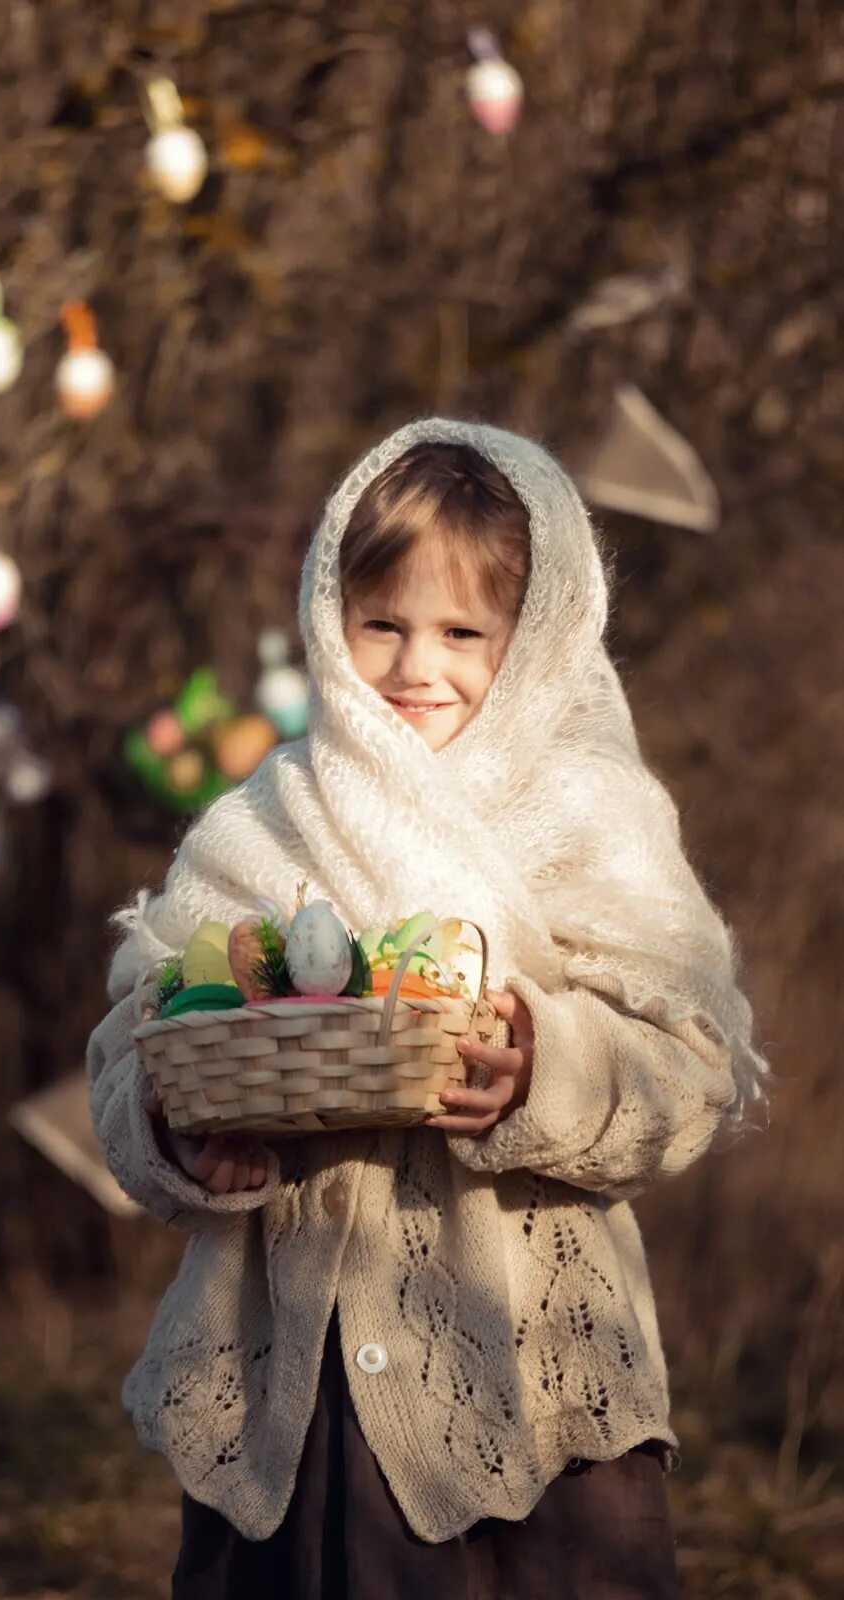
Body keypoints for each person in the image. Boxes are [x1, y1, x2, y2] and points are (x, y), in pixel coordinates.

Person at [87, 419, 768, 1599]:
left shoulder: (592, 814)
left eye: (464, 633)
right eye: (382, 624)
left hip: (529, 1386)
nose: (416, 665)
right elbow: (135, 1041)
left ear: (538, 641)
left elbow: (691, 1066)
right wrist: (181, 1126)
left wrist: (545, 1067)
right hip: (291, 1407)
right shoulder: (271, 817)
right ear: (326, 621)